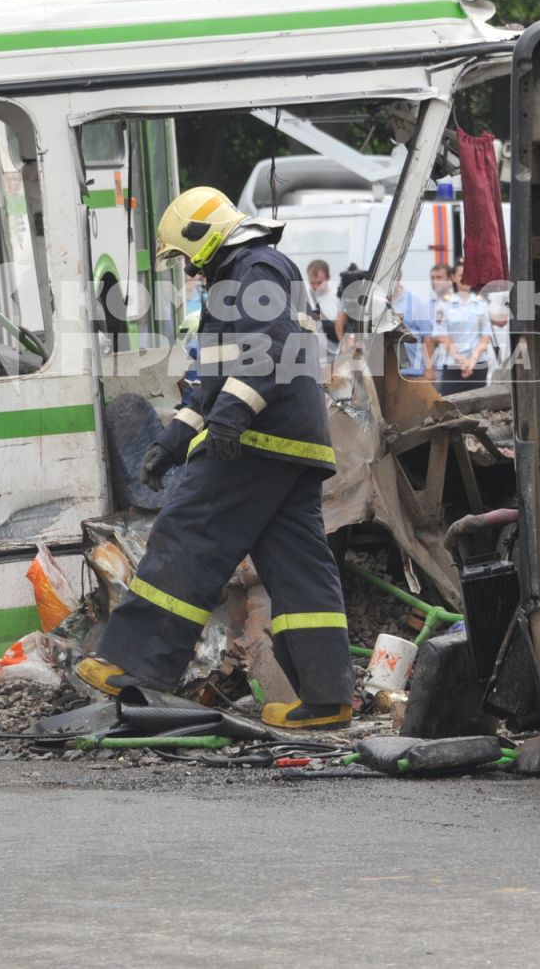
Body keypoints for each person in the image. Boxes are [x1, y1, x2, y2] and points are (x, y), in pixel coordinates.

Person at [77, 187, 352, 729]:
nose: (185, 268)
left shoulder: (255, 266)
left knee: (188, 532)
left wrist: (233, 416)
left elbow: (267, 349)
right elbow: (211, 381)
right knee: (298, 568)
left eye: (183, 255)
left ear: (202, 236)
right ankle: (327, 698)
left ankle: (135, 665)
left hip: (259, 438)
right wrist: (173, 438)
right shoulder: (242, 276)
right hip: (288, 441)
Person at [429, 262, 489, 395]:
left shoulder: (481, 303)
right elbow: (443, 337)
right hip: (453, 366)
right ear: (453, 278)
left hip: (477, 365)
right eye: (461, 275)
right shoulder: (444, 304)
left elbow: (486, 336)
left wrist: (472, 361)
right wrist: (461, 361)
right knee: (449, 408)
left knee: (479, 408)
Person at [392, 276, 434, 378]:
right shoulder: (379, 303)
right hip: (389, 373)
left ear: (398, 277)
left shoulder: (415, 303)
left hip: (413, 373)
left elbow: (427, 337)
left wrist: (429, 369)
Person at [305, 258, 342, 357]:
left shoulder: (338, 296)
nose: (316, 287)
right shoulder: (305, 298)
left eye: (320, 282)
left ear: (329, 277)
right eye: (312, 283)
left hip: (338, 352)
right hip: (316, 356)